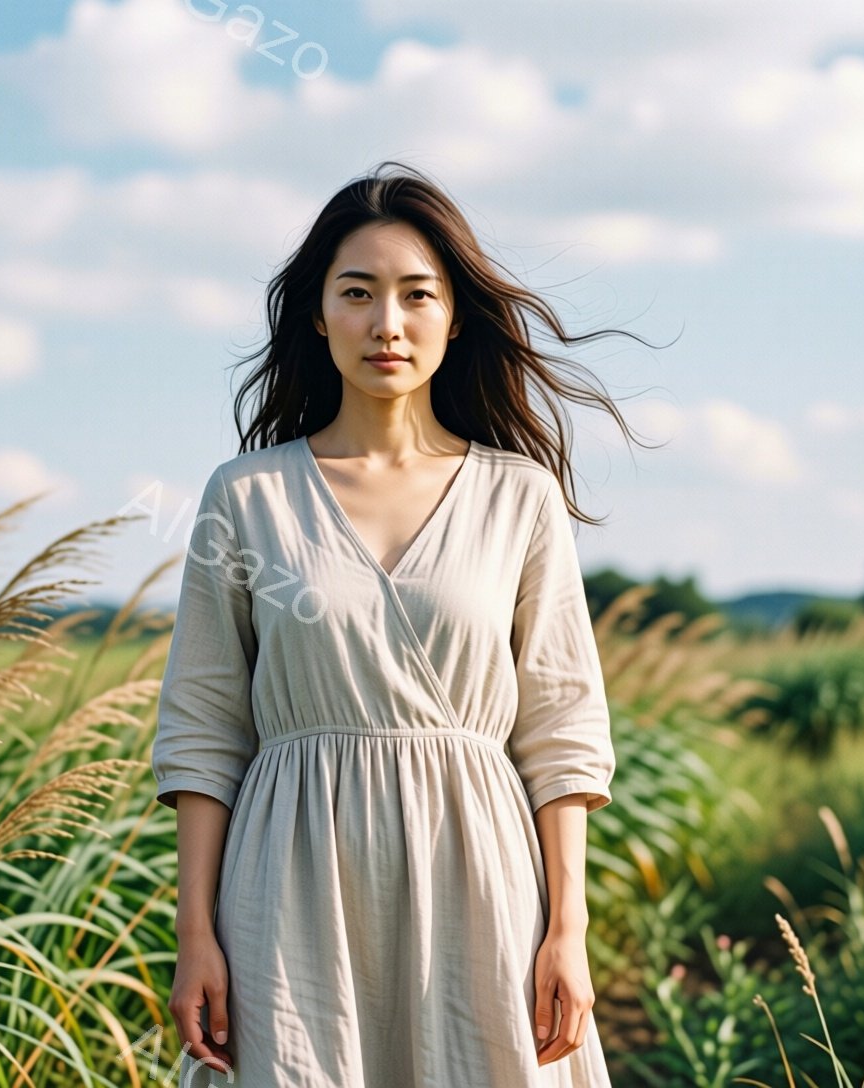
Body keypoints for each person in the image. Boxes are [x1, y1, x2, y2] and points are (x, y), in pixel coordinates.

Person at [152, 160, 660, 1087]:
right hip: (289, 880)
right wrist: (197, 936)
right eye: (358, 293)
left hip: (480, 878)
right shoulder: (247, 498)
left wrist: (568, 933)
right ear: (318, 314)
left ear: (454, 315)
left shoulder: (519, 497)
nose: (387, 323)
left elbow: (561, 732)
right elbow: (204, 730)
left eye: (416, 294)